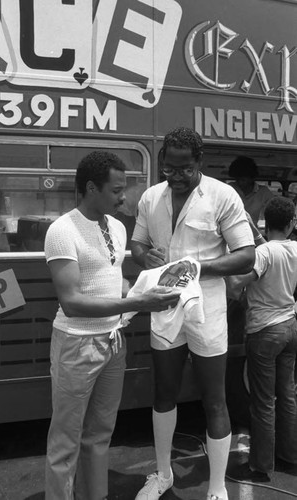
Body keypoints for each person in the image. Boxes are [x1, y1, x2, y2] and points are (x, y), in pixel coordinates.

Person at [44, 150, 181, 500]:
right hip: (76, 345)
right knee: (65, 441)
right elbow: (71, 302)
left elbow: (110, 282)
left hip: (112, 342)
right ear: (92, 188)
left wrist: (150, 287)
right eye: (117, 189)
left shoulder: (118, 227)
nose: (124, 197)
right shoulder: (62, 230)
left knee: (100, 434)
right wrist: (137, 302)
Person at [130, 127, 255, 500]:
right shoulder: (151, 198)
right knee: (163, 393)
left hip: (208, 310)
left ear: (199, 162)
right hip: (165, 305)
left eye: (184, 169)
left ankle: (217, 488)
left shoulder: (222, 196)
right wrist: (143, 256)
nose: (176, 176)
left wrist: (198, 267)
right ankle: (163, 474)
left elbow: (246, 254)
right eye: (169, 168)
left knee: (214, 398)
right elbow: (137, 244)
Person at [228, 196, 297, 481]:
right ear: (292, 223)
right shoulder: (295, 248)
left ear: (265, 223)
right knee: (288, 394)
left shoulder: (263, 252)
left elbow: (235, 285)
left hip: (264, 331)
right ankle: (290, 455)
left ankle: (260, 465)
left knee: (263, 401)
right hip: (291, 327)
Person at [228, 156, 274, 227]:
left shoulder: (264, 193)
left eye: (243, 180)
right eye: (237, 179)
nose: (240, 183)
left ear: (252, 178)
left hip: (252, 233)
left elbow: (275, 211)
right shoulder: (228, 189)